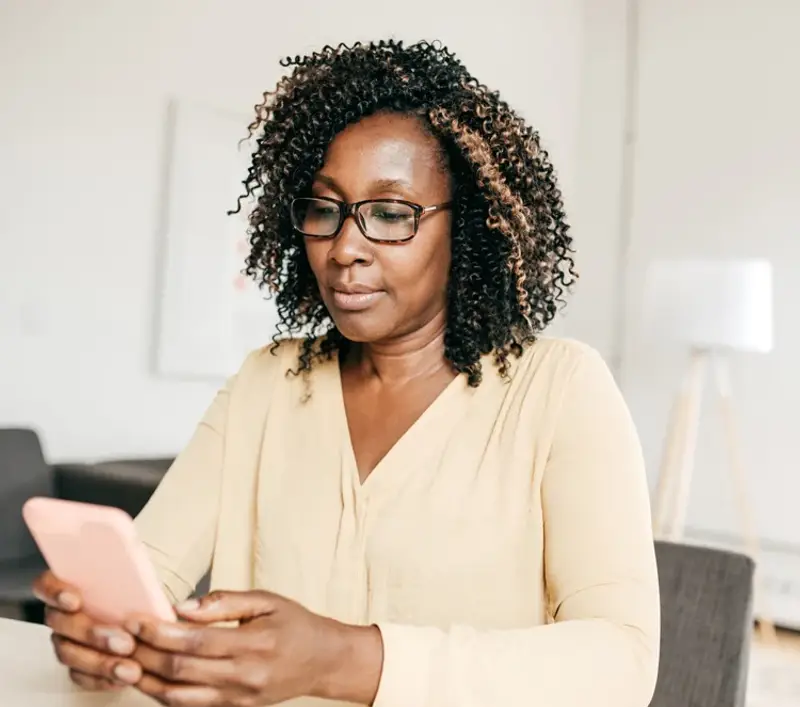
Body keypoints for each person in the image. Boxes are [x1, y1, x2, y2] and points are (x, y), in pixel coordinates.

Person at [34, 39, 660, 707]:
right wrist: (101, 629)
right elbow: (151, 567)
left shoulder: (560, 389)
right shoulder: (268, 384)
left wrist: (343, 657)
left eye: (391, 214)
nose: (344, 248)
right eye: (325, 210)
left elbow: (620, 661)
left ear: (471, 225)